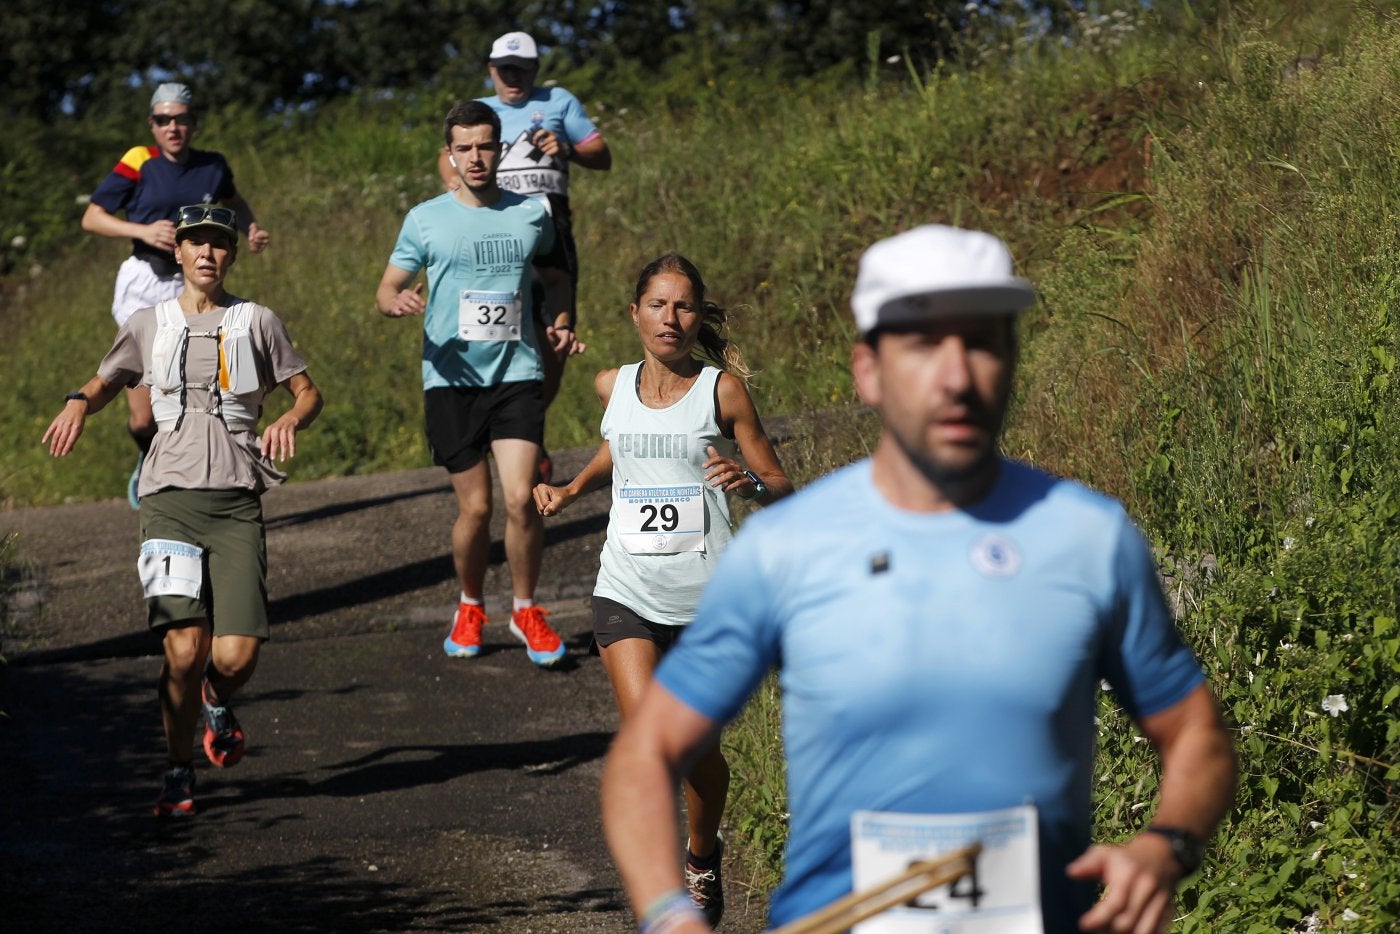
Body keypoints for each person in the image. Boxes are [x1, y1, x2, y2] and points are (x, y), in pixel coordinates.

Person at [600, 226, 1238, 934]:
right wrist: (668, 914)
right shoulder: (792, 547)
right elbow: (645, 754)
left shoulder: (1088, 539)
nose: (957, 375)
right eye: (924, 346)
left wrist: (1166, 845)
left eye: (985, 342)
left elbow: (1196, 734)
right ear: (868, 370)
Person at [533, 253, 792, 925]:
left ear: (696, 315)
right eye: (657, 304)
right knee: (652, 742)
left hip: (708, 602)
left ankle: (701, 856)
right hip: (626, 587)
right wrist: (571, 487)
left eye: (682, 307)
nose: (669, 318)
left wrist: (750, 482)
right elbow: (623, 445)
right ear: (635, 313)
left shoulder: (722, 391)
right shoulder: (607, 384)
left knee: (697, 756)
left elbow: (779, 481)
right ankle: (664, 900)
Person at [43, 204, 322, 817]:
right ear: (179, 253)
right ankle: (177, 771)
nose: (206, 253)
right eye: (195, 242)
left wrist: (289, 416)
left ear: (231, 254)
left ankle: (214, 700)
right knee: (182, 647)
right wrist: (75, 405)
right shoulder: (150, 321)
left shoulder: (257, 321)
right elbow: (106, 381)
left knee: (235, 655)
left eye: (218, 244)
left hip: (235, 502)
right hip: (167, 500)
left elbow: (307, 390)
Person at [378, 100, 573, 667]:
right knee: (478, 510)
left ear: (500, 148)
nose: (476, 157)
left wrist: (559, 323)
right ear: (450, 154)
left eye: (486, 145)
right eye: (464, 148)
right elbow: (387, 288)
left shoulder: (532, 213)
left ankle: (525, 608)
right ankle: (469, 604)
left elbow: (557, 279)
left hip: (516, 373)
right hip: (450, 378)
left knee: (520, 499)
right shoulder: (425, 218)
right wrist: (399, 301)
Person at [82, 82, 272, 508]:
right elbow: (92, 217)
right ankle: (147, 455)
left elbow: (235, 202)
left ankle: (197, 479)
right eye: (164, 120)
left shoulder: (212, 166)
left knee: (198, 391)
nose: (173, 127)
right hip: (145, 284)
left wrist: (251, 227)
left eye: (182, 119)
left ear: (193, 123)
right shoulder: (139, 160)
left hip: (193, 284)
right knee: (144, 414)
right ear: (152, 124)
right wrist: (142, 230)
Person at [440, 30, 613, 477]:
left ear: (536, 69)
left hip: (549, 232)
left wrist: (569, 149)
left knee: (555, 338)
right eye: (504, 69)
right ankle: (493, 425)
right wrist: (456, 193)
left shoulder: (558, 101)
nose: (513, 77)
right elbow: (446, 160)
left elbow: (601, 154)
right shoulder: (479, 112)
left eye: (522, 69)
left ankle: (527, 429)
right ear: (491, 70)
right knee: (493, 325)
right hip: (493, 234)